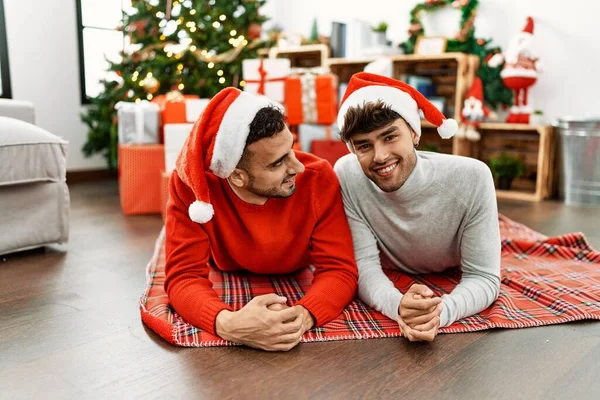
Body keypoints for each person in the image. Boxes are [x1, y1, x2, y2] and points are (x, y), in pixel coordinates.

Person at [164, 87, 358, 351]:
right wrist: (228, 323)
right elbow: (183, 276)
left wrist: (301, 317)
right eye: (277, 163)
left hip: (296, 269)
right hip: (226, 268)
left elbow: (340, 269)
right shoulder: (192, 189)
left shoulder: (318, 178)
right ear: (237, 176)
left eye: (292, 148)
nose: (298, 167)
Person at [333, 72, 501, 342]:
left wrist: (439, 313)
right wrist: (398, 306)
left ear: (414, 132)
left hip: (450, 265)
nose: (380, 156)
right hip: (395, 275)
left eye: (390, 137)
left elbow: (484, 276)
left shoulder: (472, 177)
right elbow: (364, 266)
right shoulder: (347, 174)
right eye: (364, 146)